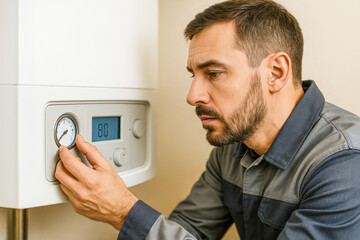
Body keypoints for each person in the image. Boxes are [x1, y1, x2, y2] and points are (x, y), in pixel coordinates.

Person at [55, 0, 360, 239]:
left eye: (213, 73)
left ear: (276, 73)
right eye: (194, 75)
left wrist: (123, 212)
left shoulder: (344, 164)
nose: (192, 95)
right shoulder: (232, 147)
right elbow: (189, 231)